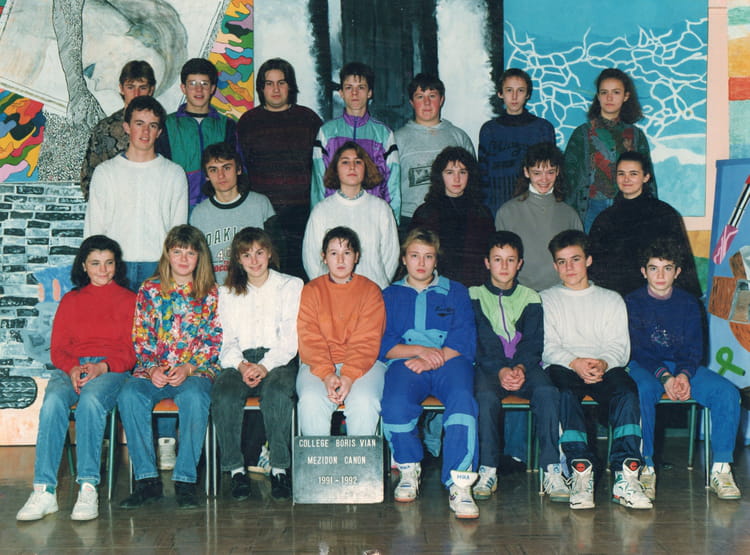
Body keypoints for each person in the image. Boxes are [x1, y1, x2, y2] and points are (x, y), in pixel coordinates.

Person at [16, 236, 136, 521]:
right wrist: (72, 368)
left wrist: (103, 367)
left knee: (91, 401)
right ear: (83, 266)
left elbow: (132, 351)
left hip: (110, 369)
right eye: (95, 263)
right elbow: (58, 348)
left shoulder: (130, 300)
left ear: (117, 265)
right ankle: (44, 491)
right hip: (73, 366)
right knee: (53, 401)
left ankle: (88, 487)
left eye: (109, 263)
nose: (103, 270)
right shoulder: (71, 300)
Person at [541, 229, 651, 510]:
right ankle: (580, 472)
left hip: (603, 365)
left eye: (575, 259)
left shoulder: (611, 299)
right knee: (563, 393)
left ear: (588, 260)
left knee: (627, 393)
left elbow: (619, 346)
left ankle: (626, 476)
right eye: (562, 261)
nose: (569, 267)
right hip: (564, 365)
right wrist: (575, 363)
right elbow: (547, 346)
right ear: (555, 266)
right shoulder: (545, 299)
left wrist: (602, 362)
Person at [626, 238, 741, 501]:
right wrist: (665, 377)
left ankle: (721, 468)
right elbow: (638, 349)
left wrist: (683, 375)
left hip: (681, 367)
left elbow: (694, 349)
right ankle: (645, 467)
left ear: (677, 272)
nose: (660, 275)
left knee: (726, 392)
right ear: (643, 271)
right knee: (642, 391)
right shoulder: (632, 302)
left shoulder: (689, 303)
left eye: (667, 268)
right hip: (645, 366)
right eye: (654, 268)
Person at [118, 225, 221, 509]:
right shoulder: (149, 289)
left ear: (200, 257)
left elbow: (214, 340)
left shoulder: (211, 293)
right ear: (167, 255)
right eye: (178, 252)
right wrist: (152, 368)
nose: (184, 259)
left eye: (190, 253)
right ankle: (147, 480)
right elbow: (141, 336)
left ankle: (185, 480)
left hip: (195, 371)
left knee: (195, 397)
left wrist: (188, 367)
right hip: (153, 371)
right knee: (129, 395)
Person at [380, 228, 479, 519]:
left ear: (436, 260)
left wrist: (433, 358)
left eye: (428, 256)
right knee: (394, 402)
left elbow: (464, 336)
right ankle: (408, 468)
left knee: (463, 400)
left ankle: (460, 483)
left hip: (450, 359)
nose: (421, 263)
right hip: (408, 361)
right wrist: (419, 352)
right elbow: (382, 343)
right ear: (404, 259)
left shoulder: (456, 291)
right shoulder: (389, 295)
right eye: (414, 256)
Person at [470, 231, 567, 502]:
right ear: (487, 262)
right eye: (497, 259)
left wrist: (521, 368)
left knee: (548, 392)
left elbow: (534, 341)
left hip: (525, 367)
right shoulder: (473, 295)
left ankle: (552, 469)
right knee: (485, 397)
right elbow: (480, 339)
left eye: (510, 260)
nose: (504, 266)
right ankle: (487, 469)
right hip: (490, 368)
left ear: (520, 264)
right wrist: (500, 369)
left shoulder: (531, 297)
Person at [211, 228, 302, 500]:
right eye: (246, 255)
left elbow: (290, 339)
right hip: (238, 360)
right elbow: (225, 339)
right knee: (224, 394)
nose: (254, 261)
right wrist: (242, 366)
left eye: (259, 253)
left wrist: (263, 366)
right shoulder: (226, 292)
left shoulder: (290, 285)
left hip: (278, 360)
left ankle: (280, 469)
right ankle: (235, 470)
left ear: (269, 253)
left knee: (277, 394)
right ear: (238, 259)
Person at [84, 95, 188, 292]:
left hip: (158, 265)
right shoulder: (105, 172)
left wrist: (174, 269)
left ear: (159, 132)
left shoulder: (174, 173)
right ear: (126, 127)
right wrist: (96, 268)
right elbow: (94, 228)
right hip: (114, 266)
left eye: (152, 125)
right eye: (139, 124)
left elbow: (178, 230)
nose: (145, 132)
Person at [236, 58, 322, 279]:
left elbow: (322, 169)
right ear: (261, 88)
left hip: (302, 216)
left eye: (281, 83)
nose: (275, 89)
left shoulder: (309, 120)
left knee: (301, 278)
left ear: (290, 86)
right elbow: (241, 170)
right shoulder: (248, 122)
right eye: (269, 83)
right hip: (263, 216)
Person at [296, 227, 386, 436]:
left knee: (364, 401)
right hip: (318, 365)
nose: (340, 260)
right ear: (324, 257)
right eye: (333, 253)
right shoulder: (311, 291)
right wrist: (327, 374)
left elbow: (367, 340)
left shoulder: (370, 291)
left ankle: (361, 459)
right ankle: (317, 459)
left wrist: (349, 376)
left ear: (356, 257)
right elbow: (309, 339)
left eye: (347, 252)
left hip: (365, 364)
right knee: (310, 401)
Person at [589, 151, 701, 298]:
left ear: (646, 177)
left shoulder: (664, 214)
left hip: (654, 297)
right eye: (621, 174)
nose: (626, 179)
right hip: (615, 298)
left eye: (633, 174)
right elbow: (594, 266)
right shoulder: (604, 218)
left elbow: (681, 260)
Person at [564, 68, 656, 230]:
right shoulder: (582, 134)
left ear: (626, 96)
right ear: (598, 96)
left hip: (628, 208)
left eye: (616, 92)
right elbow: (567, 180)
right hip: (590, 209)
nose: (609, 97)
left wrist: (652, 213)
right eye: (604, 92)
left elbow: (649, 180)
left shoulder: (635, 135)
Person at [311, 62, 401, 222]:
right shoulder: (326, 133)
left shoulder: (383, 134)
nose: (354, 93)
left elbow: (392, 185)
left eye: (361, 87)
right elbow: (319, 184)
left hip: (373, 216)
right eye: (348, 87)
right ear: (341, 92)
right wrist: (320, 220)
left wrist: (392, 222)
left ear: (370, 92)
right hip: (335, 216)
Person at [302, 141, 399, 289]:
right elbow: (311, 258)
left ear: (366, 168)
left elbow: (391, 255)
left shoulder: (381, 208)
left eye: (358, 162)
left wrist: (377, 288)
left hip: (373, 293)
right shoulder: (321, 210)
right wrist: (327, 290)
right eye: (345, 162)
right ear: (335, 169)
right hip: (333, 293)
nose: (352, 167)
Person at [496, 142, 582, 291]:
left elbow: (578, 260)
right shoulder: (507, 212)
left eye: (550, 172)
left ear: (558, 172)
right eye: (537, 173)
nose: (544, 179)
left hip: (561, 292)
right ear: (526, 172)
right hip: (521, 293)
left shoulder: (570, 214)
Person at [394, 73, 474, 231]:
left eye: (432, 96)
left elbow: (473, 181)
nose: (427, 103)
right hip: (409, 220)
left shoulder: (458, 137)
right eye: (420, 97)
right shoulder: (397, 139)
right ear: (411, 102)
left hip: (453, 218)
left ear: (442, 99)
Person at [189, 142, 277, 283]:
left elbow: (276, 254)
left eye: (227, 167)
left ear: (239, 169)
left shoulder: (260, 204)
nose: (221, 175)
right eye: (213, 170)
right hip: (216, 290)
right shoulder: (199, 214)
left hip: (255, 288)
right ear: (206, 175)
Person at [157, 58, 238, 208]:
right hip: (179, 206)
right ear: (183, 88)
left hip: (218, 206)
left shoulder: (227, 125)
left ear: (212, 88)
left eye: (204, 84)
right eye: (192, 83)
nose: (198, 90)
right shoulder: (167, 125)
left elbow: (238, 169)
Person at [410, 146, 494, 287]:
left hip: (474, 286)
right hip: (436, 285)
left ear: (470, 175)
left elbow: (488, 256)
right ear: (440, 175)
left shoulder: (482, 213)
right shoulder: (425, 213)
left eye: (462, 172)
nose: (457, 178)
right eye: (449, 172)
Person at [478, 68, 555, 215]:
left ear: (528, 94)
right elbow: (483, 176)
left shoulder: (543, 128)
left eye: (520, 90)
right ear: (500, 93)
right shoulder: (489, 130)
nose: (514, 96)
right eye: (509, 90)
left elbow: (549, 173)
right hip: (497, 207)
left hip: (533, 207)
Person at [80, 60, 156, 199]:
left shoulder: (164, 128)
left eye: (143, 87)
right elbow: (89, 178)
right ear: (121, 88)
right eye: (130, 87)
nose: (136, 94)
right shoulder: (104, 129)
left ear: (151, 90)